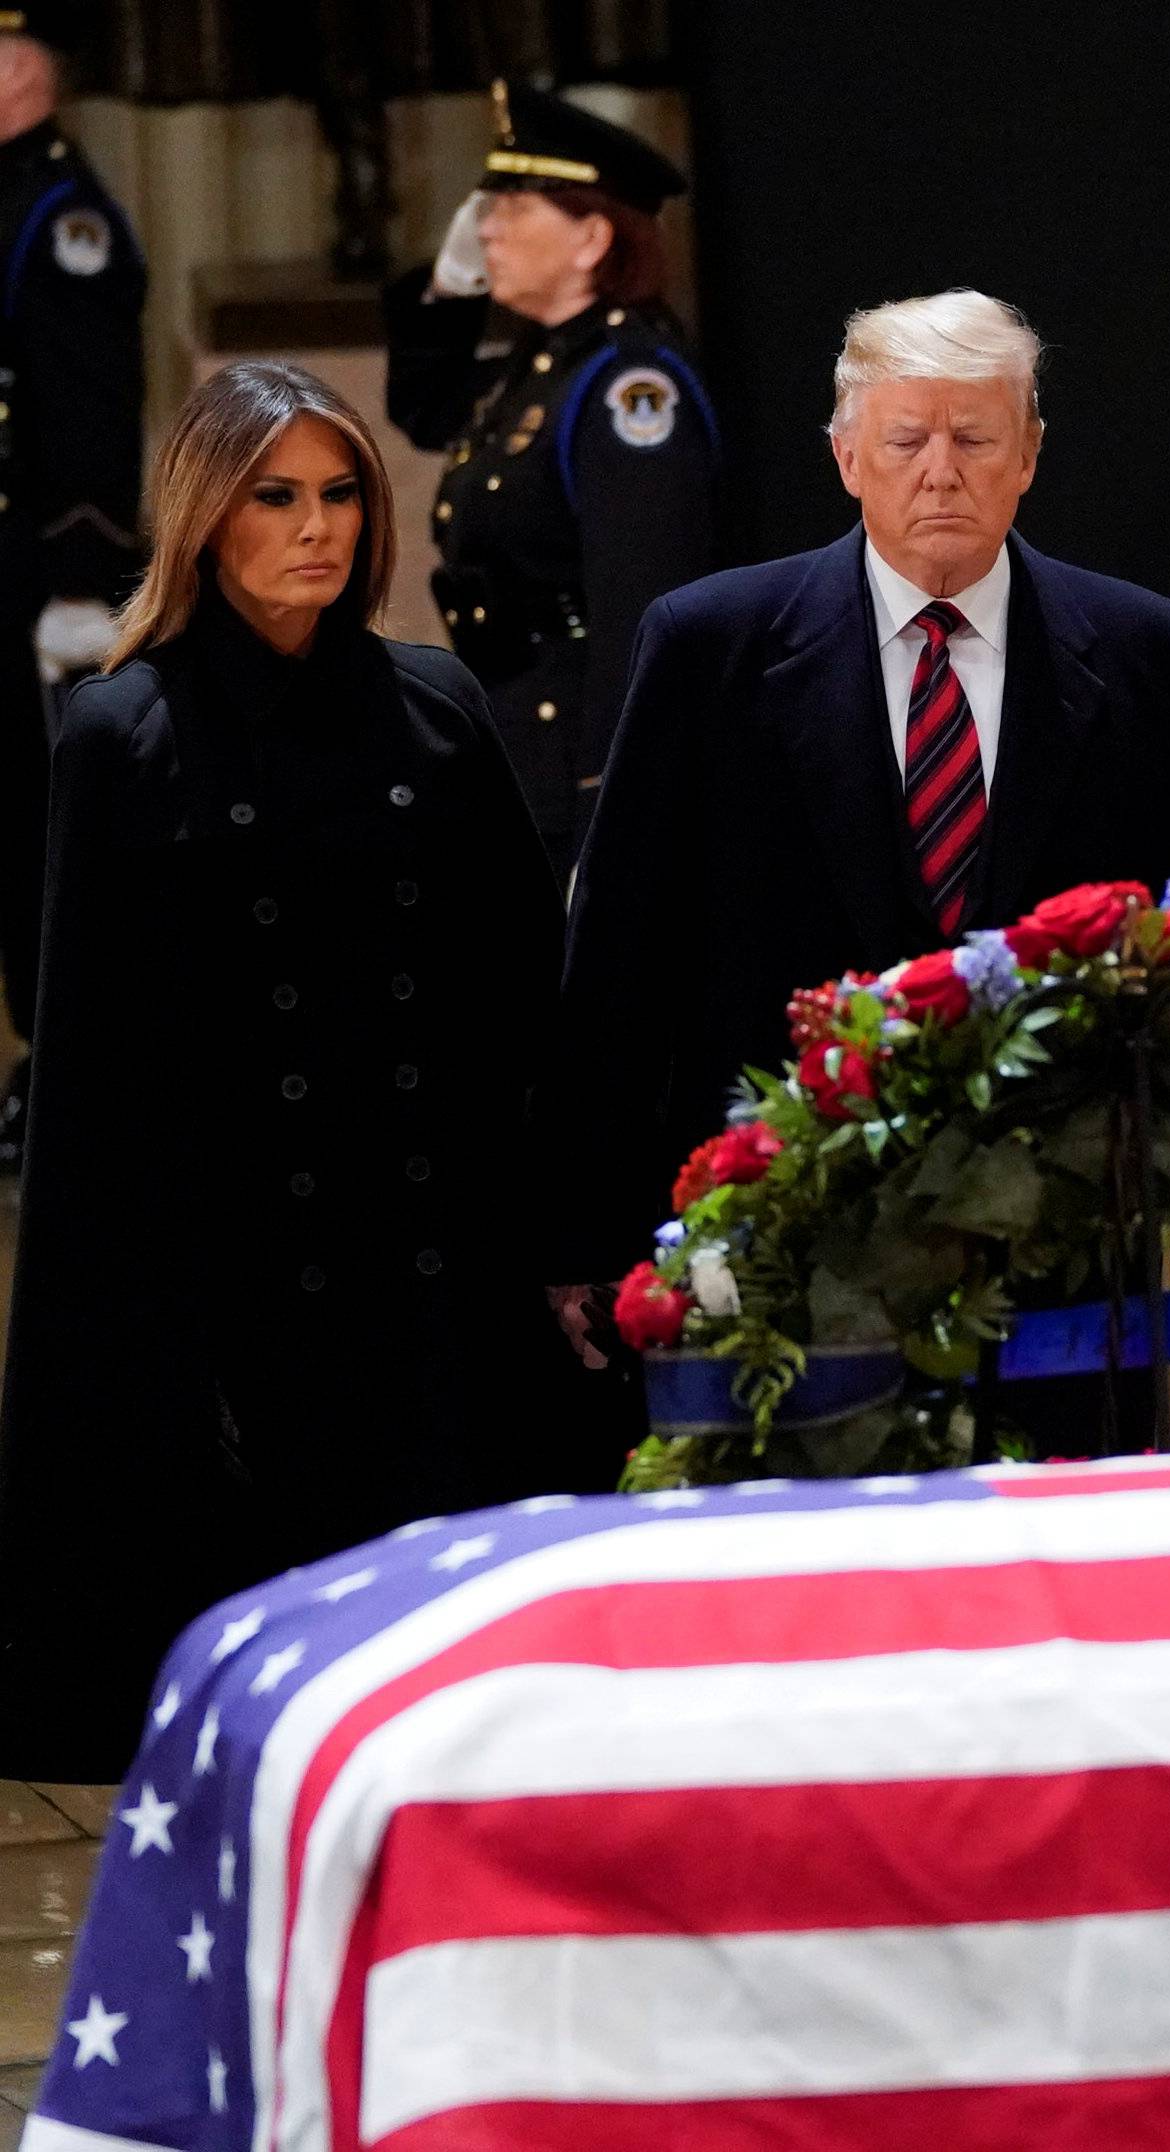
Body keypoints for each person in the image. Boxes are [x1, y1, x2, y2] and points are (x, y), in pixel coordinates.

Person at [0, 361, 583, 1784]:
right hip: (234, 1292)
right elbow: (83, 1069)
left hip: (434, 1265)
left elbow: (529, 1007)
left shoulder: (439, 710)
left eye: (337, 494)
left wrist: (563, 1240)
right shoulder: (118, 731)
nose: (315, 527)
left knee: (461, 1707)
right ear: (206, 512)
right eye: (277, 496)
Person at [532, 289, 1170, 1362]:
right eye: (907, 438)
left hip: (1067, 1245)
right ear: (845, 457)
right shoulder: (707, 649)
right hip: (783, 1230)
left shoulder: (1157, 657)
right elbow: (622, 964)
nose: (941, 469)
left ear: (1030, 455)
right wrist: (587, 1230)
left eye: (974, 438)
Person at [384, 81, 718, 878]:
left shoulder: (630, 390)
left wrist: (614, 796)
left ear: (592, 238)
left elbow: (643, 615)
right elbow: (427, 410)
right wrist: (449, 285)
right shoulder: (544, 366)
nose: (487, 229)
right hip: (512, 736)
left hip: (574, 751)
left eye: (512, 210)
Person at [0, 13, 145, 1169]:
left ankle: (72, 1070)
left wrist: (83, 572)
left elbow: (86, 407)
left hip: (40, 576)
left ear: (24, 68)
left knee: (43, 829)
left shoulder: (64, 214)